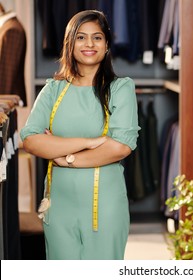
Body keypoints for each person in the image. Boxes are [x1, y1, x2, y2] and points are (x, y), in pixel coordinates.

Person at [20, 10, 140, 260]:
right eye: (81, 38)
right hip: (58, 208)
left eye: (97, 38)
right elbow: (30, 139)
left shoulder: (121, 89)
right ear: (70, 44)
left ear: (107, 45)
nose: (89, 44)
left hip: (105, 208)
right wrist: (90, 143)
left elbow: (121, 146)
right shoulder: (53, 89)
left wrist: (66, 158)